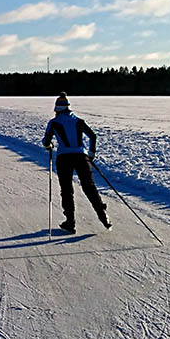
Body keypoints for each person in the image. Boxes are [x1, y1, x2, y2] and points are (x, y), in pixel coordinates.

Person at [42, 93, 110, 234]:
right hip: (81, 156)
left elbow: (45, 142)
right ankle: (103, 217)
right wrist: (91, 153)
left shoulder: (54, 122)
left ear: (57, 108)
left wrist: (49, 146)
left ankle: (70, 223)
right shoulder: (78, 121)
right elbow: (93, 136)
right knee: (89, 187)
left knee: (67, 190)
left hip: (64, 158)